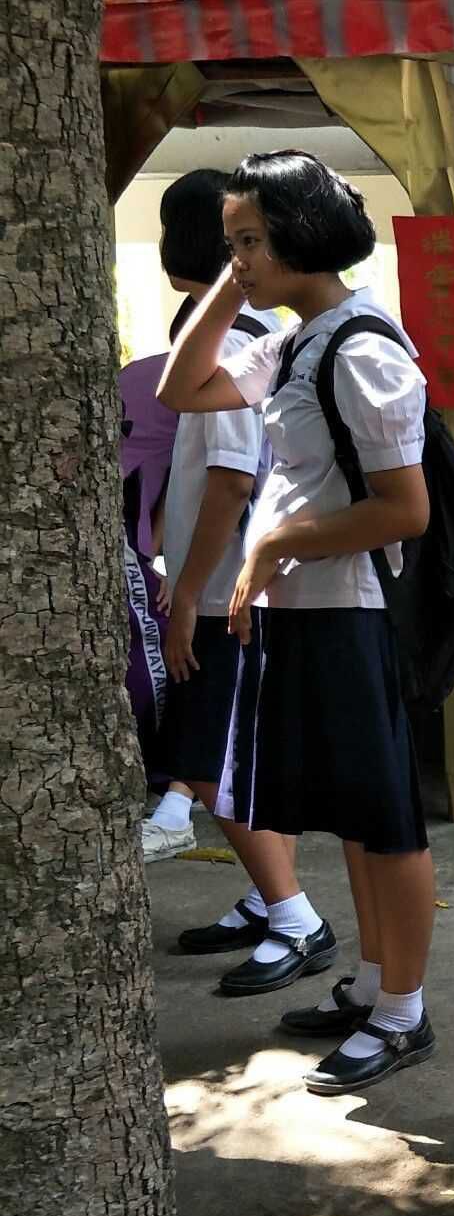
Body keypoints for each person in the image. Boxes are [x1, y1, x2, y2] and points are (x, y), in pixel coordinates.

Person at [160, 153, 438, 1093]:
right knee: (355, 817)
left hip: (354, 612)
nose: (237, 260)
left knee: (388, 821)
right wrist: (232, 280)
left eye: (250, 241)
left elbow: (405, 509)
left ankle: (403, 1012)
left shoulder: (360, 348)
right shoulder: (295, 340)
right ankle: (371, 983)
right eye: (230, 243)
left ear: (302, 237)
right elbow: (183, 389)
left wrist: (277, 541)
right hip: (307, 614)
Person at [146, 169, 330, 972]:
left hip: (225, 592)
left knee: (208, 764)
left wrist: (187, 594)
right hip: (241, 586)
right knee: (243, 762)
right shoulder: (252, 327)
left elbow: (229, 478)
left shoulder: (227, 340)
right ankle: (268, 898)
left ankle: (296, 919)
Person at [119, 328, 185, 854]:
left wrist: (157, 559)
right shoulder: (175, 382)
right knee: (154, 648)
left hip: (131, 544)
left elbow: (178, 478)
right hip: (108, 536)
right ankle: (168, 782)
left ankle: (174, 786)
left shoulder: (150, 378)